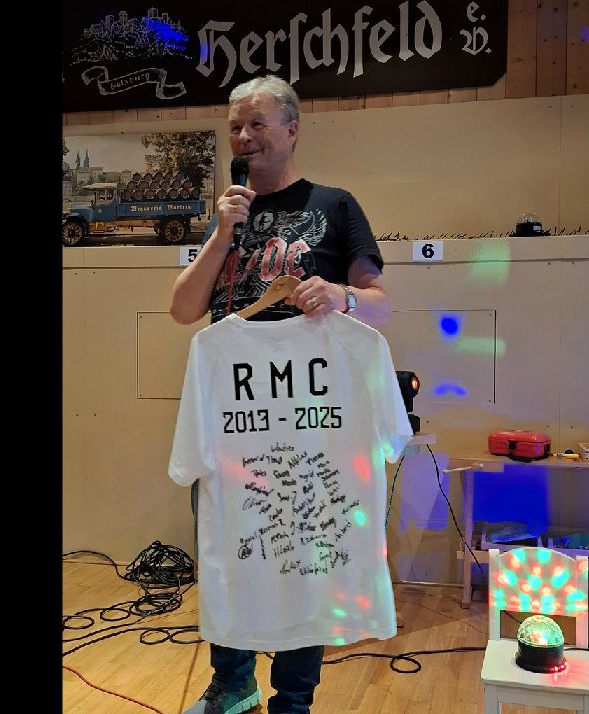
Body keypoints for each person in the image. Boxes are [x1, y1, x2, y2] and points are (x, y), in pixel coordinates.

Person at [170, 74, 394, 714]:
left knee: (305, 549)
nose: (243, 137)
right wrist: (221, 234)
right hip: (235, 414)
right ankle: (233, 683)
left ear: (292, 129)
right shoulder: (227, 214)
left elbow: (382, 305)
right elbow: (183, 310)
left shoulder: (336, 205)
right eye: (235, 127)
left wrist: (344, 295)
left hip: (310, 418)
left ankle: (293, 700)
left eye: (256, 124)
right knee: (228, 545)